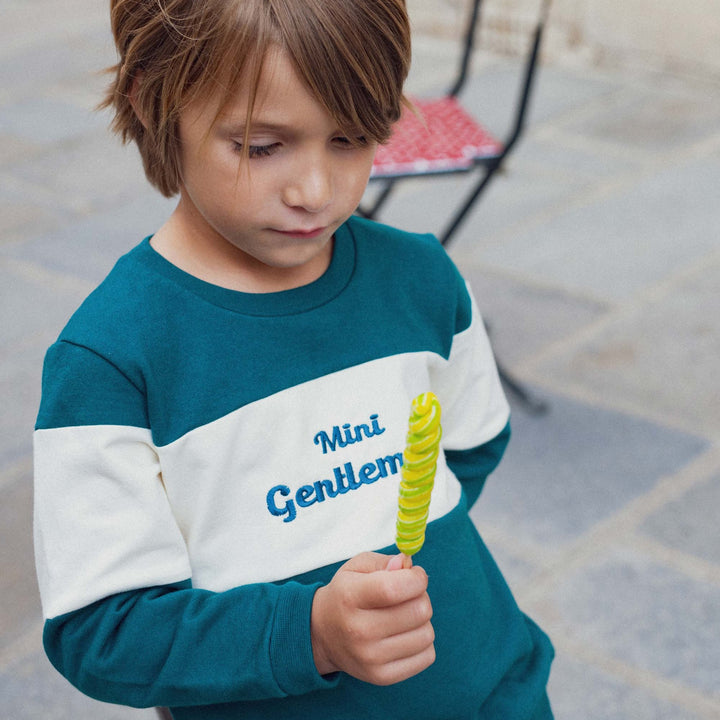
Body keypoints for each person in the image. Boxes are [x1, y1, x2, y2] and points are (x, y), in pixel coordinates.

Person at [33, 1, 554, 718]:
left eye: (350, 139)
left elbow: (470, 446)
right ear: (153, 99)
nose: (316, 191)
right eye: (260, 146)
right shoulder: (113, 359)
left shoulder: (425, 282)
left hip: (495, 691)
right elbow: (103, 632)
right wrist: (311, 635)